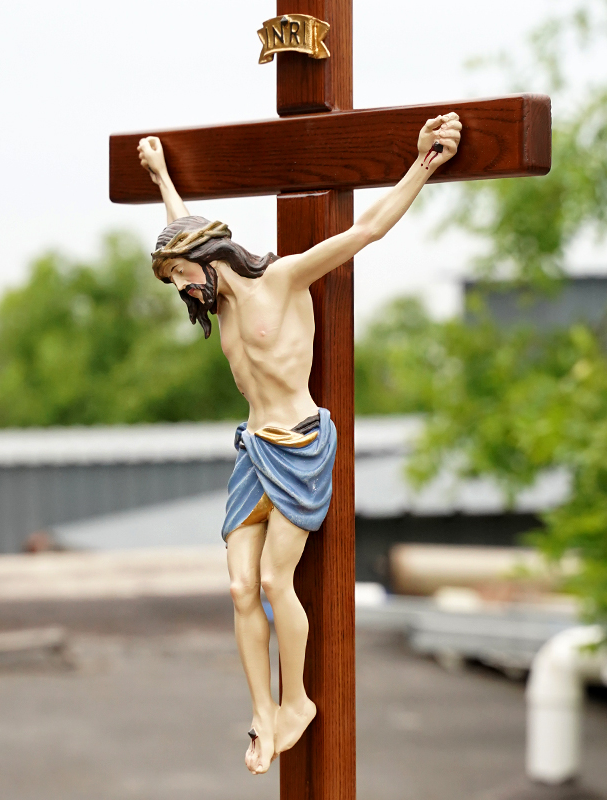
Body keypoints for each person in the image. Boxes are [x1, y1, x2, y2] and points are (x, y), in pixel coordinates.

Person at [137, 113, 462, 775]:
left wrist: (424, 164)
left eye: (181, 276)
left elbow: (364, 231)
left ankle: (298, 701)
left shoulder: (282, 280)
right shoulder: (219, 304)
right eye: (172, 281)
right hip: (251, 451)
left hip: (298, 446)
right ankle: (262, 711)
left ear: (205, 257)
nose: (182, 290)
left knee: (271, 579)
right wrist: (162, 176)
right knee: (239, 587)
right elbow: (182, 225)